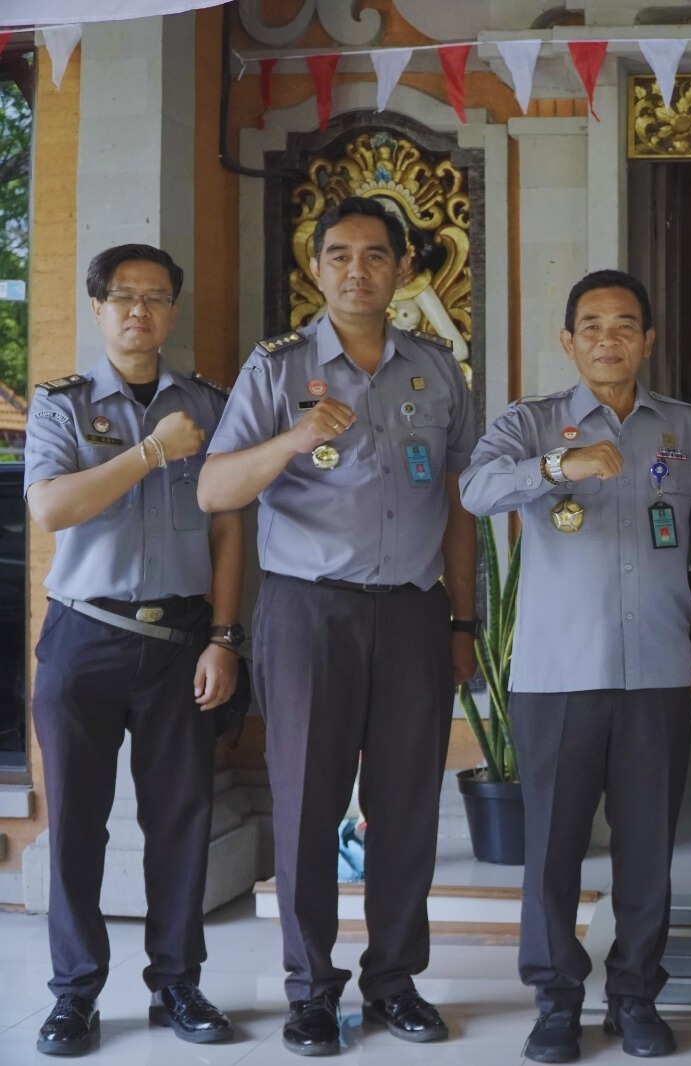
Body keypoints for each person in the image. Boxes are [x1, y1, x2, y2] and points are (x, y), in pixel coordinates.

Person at [198, 196, 478, 1056]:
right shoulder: (277, 368)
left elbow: (460, 504)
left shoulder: (438, 368)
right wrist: (289, 441)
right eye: (341, 255)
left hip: (413, 612)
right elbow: (214, 489)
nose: (359, 270)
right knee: (306, 806)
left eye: (376, 255)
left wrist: (464, 619)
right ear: (316, 268)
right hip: (309, 611)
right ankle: (311, 991)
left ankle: (394, 981)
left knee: (407, 807)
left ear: (403, 269)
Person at [459, 269, 691, 1063]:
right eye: (591, 326)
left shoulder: (685, 428)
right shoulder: (531, 422)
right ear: (568, 340)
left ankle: (635, 995)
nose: (608, 340)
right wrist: (560, 467)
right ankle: (556, 1002)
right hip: (558, 676)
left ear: (647, 340)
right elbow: (476, 489)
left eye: (624, 326)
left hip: (658, 671)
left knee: (648, 850)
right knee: (551, 849)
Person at [25, 244, 243, 1055]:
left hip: (180, 641)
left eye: (155, 297)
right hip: (84, 635)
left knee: (181, 821)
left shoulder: (210, 404)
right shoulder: (62, 406)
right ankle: (75, 994)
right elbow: (52, 508)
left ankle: (177, 982)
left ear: (173, 311)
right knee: (76, 824)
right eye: (122, 296)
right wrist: (151, 450)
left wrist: (223, 637)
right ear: (97, 308)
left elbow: (228, 528)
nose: (138, 311)